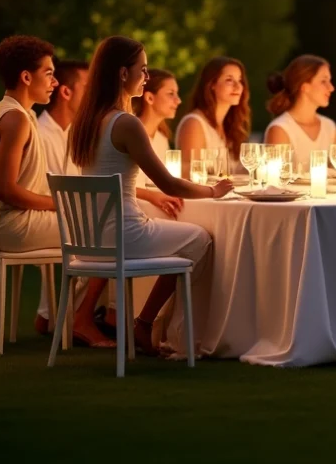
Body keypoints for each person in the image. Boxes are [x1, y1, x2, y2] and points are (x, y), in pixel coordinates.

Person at [69, 36, 230, 355]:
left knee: (185, 238)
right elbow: (169, 184)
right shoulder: (125, 123)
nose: (147, 77)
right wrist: (214, 190)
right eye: (142, 70)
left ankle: (144, 324)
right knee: (200, 238)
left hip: (92, 237)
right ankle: (149, 324)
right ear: (122, 74)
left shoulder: (85, 122)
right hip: (124, 235)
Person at [0, 37, 109, 346]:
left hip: (10, 220)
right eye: (48, 73)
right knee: (106, 232)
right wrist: (60, 204)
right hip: (8, 225)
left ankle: (65, 315)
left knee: (99, 227)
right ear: (26, 77)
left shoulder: (19, 113)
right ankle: (80, 319)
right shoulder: (15, 119)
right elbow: (5, 191)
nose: (55, 82)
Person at [264, 54, 336, 174]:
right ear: (304, 87)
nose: (331, 88)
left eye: (329, 81)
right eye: (323, 81)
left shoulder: (329, 127)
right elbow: (275, 182)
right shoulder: (280, 129)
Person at [177, 57, 250, 178]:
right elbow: (190, 176)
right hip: (204, 196)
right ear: (212, 85)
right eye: (229, 80)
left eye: (240, 80)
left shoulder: (230, 126)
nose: (238, 86)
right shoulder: (194, 123)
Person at [36, 59, 88, 176]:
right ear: (66, 92)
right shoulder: (38, 136)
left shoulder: (79, 138)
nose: (94, 97)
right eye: (88, 89)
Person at [133, 68, 181, 189]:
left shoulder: (161, 139)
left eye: (177, 94)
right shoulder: (131, 132)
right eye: (171, 94)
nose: (178, 100)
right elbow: (125, 186)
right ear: (150, 98)